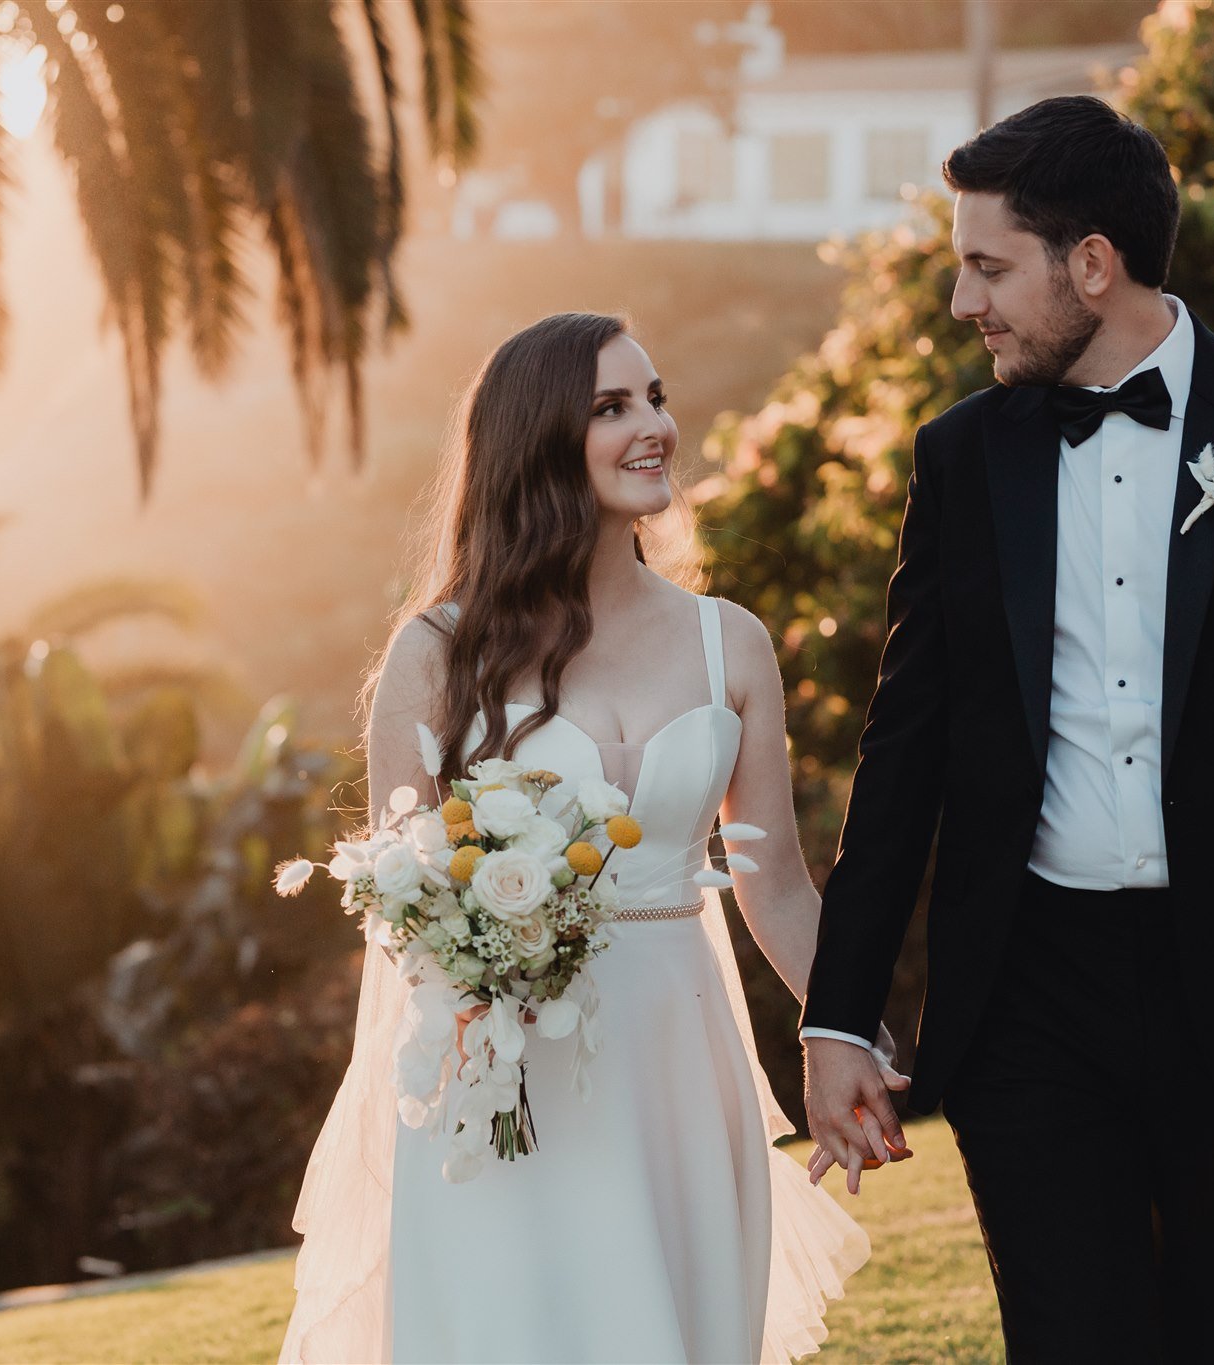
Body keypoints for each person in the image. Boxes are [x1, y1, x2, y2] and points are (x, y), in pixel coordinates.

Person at [799, 95, 1214, 1363]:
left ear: (1089, 263)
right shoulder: (957, 459)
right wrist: (838, 1018)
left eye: (986, 267)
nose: (958, 303)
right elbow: (903, 749)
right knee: (1071, 1336)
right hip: (1026, 995)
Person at [280, 311, 890, 1364]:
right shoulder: (436, 653)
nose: (651, 425)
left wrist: (843, 1035)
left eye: (653, 398)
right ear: (537, 441)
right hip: (509, 1077)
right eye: (611, 407)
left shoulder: (728, 641)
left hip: (681, 1064)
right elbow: (402, 898)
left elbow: (776, 886)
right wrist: (486, 973)